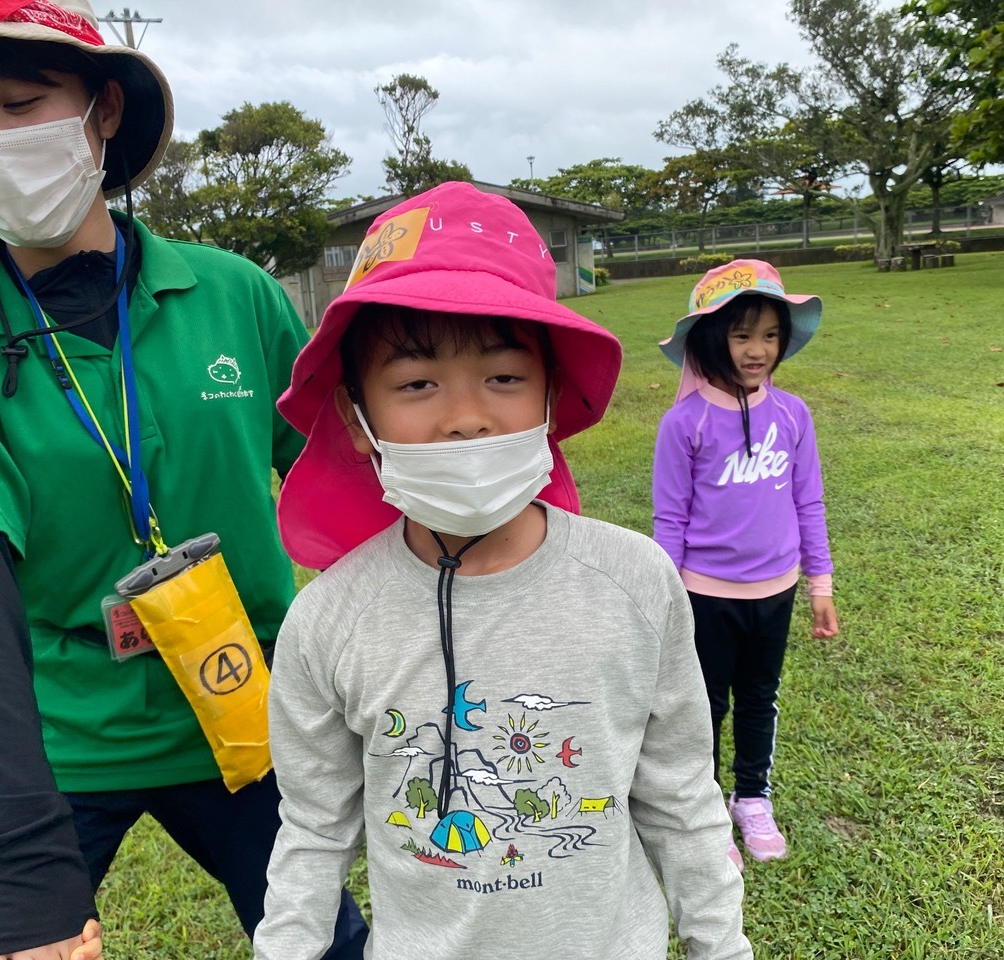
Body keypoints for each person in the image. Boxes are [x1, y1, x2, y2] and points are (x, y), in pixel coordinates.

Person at [0, 2, 368, 958]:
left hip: (248, 714)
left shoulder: (236, 295)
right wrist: (25, 859)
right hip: (61, 743)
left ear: (100, 110)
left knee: (325, 946)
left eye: (20, 100)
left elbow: (345, 497)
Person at [252, 181, 751, 960]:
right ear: (356, 417)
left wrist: (723, 945)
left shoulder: (636, 581)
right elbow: (315, 828)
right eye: (416, 383)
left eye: (505, 377)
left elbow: (680, 797)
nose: (466, 416)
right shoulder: (327, 622)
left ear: (552, 393)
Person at [651, 259, 840, 868]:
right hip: (706, 594)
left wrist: (820, 583)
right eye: (741, 334)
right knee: (705, 704)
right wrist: (669, 601)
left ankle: (752, 797)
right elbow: (670, 521)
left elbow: (807, 499)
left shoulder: (793, 414)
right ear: (712, 337)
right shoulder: (685, 422)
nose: (757, 350)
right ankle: (704, 811)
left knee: (761, 695)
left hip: (777, 589)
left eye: (769, 335)